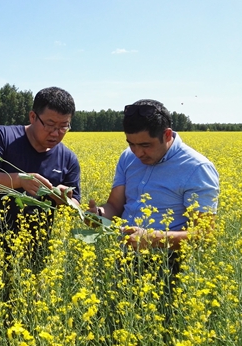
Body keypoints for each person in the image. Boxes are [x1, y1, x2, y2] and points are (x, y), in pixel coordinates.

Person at [88, 99, 219, 252]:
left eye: (146, 145)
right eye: (131, 144)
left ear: (167, 135)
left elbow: (205, 235)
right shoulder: (127, 157)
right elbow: (114, 206)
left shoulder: (197, 168)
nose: (137, 153)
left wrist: (153, 239)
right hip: (123, 258)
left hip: (168, 264)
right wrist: (98, 214)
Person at [0, 87, 81, 269]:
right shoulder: (3, 136)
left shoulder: (69, 159)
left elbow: (76, 205)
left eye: (64, 126)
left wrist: (65, 200)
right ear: (33, 117)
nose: (56, 133)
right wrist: (20, 180)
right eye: (49, 125)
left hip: (37, 250)